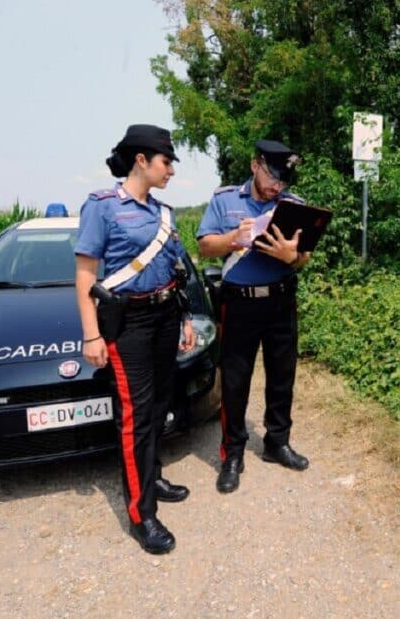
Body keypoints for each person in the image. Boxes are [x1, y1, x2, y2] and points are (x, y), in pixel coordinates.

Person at [74, 124, 195, 555]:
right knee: (137, 416)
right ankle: (142, 514)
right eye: (167, 162)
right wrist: (92, 335)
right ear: (141, 160)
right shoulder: (103, 207)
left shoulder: (164, 213)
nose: (172, 171)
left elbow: (176, 271)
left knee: (161, 402)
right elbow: (86, 277)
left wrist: (183, 319)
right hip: (129, 326)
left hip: (165, 317)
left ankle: (153, 475)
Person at [197, 139, 311, 494]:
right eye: (273, 176)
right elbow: (204, 246)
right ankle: (233, 453)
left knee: (282, 376)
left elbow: (303, 256)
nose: (278, 186)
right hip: (239, 302)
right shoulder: (225, 199)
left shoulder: (293, 206)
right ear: (255, 165)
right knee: (234, 380)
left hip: (280, 300)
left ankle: (277, 442)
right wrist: (235, 237)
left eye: (283, 181)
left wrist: (290, 256)